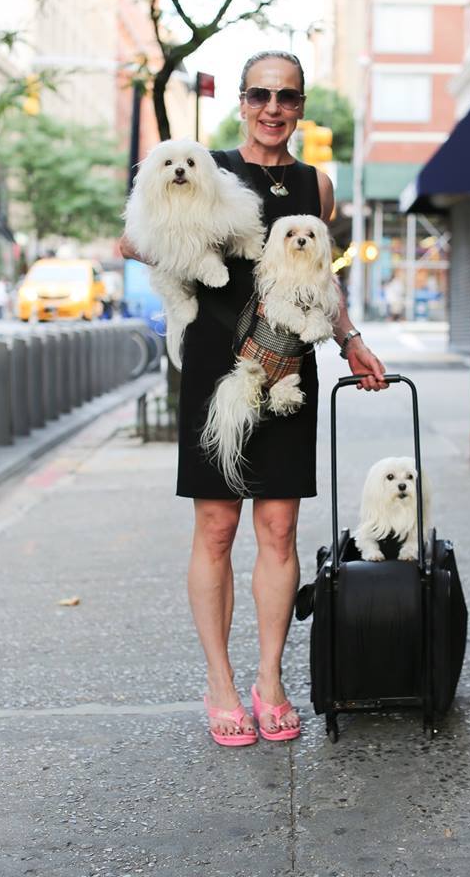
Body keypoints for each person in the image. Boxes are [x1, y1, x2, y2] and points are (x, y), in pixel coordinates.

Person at [121, 50, 387, 746]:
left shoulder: (316, 185)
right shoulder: (201, 164)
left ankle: (270, 680)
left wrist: (350, 339)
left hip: (287, 362)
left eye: (288, 96)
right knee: (216, 528)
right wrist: (170, 246)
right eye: (262, 94)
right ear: (243, 101)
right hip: (215, 362)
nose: (275, 107)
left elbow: (320, 278)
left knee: (278, 528)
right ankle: (220, 686)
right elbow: (135, 236)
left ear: (301, 106)